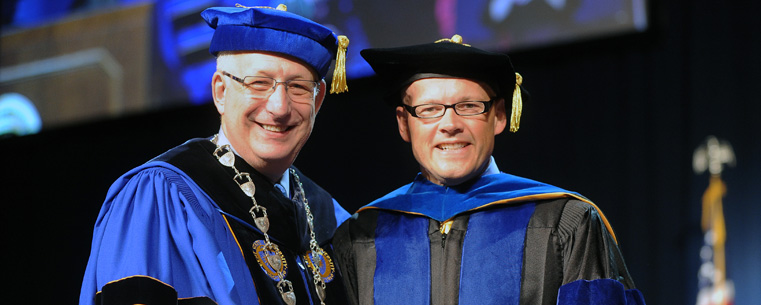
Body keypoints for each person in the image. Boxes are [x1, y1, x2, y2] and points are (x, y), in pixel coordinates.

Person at [333, 35, 646, 305]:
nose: (450, 125)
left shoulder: (565, 222)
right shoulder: (361, 235)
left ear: (498, 116)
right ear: (404, 123)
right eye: (429, 110)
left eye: (469, 106)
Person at [80, 4, 351, 305]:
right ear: (221, 91)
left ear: (318, 100)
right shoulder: (163, 197)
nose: (279, 108)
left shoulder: (333, 218)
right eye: (259, 83)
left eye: (299, 88)